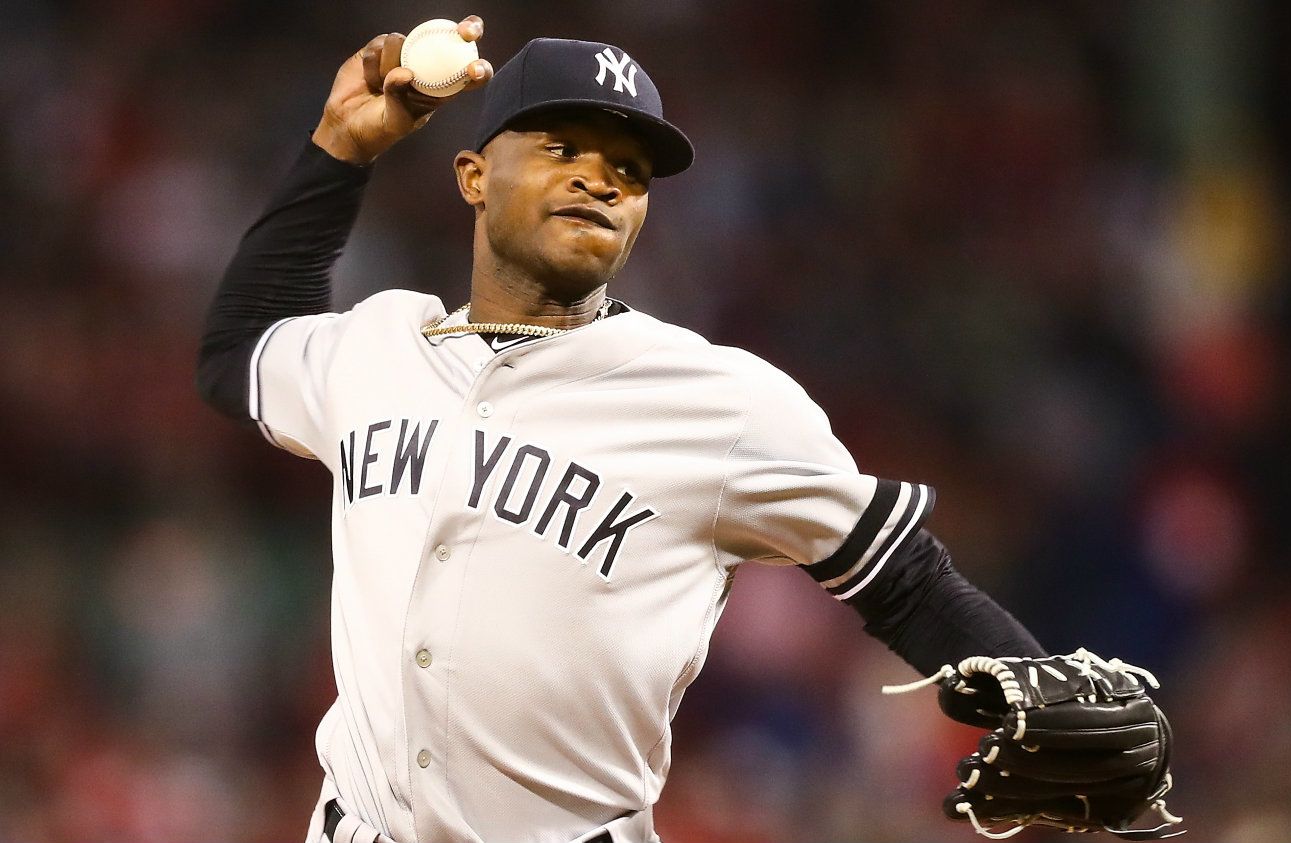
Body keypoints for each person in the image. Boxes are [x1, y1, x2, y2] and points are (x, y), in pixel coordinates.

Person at [198, 18, 1170, 843]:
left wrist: (1037, 696)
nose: (599, 180)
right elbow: (238, 351)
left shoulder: (720, 402)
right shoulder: (379, 346)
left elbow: (904, 580)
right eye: (562, 148)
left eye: (627, 170)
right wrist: (340, 147)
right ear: (473, 175)